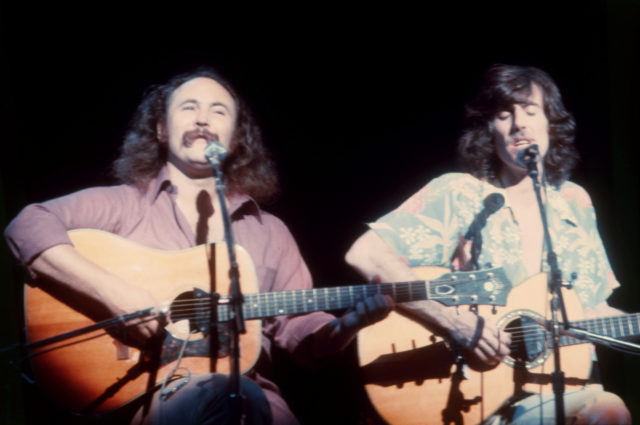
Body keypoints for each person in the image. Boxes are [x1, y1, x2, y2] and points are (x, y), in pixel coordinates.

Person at [4, 66, 393, 425]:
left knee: (246, 399)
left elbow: (298, 332)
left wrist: (347, 325)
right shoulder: (122, 204)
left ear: (236, 139)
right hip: (144, 396)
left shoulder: (269, 231)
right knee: (228, 397)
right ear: (160, 129)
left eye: (219, 111)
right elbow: (26, 225)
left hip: (251, 402)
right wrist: (113, 295)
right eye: (189, 107)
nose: (203, 119)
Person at [345, 64, 631, 424]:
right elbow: (366, 254)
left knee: (608, 411)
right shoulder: (459, 193)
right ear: (489, 131)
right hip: (470, 391)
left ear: (550, 124)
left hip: (564, 391)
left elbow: (593, 309)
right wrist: (452, 322)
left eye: (531, 111)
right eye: (503, 115)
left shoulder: (574, 203)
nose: (520, 124)